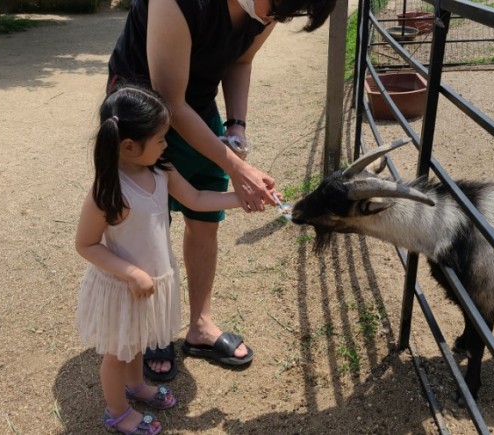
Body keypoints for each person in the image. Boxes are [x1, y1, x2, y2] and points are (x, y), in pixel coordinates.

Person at [106, 0, 338, 380]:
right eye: (277, 6)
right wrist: (237, 167)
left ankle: (199, 326)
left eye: (287, 13)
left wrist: (236, 127)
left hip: (194, 107)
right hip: (142, 113)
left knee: (204, 220)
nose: (273, 19)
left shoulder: (270, 8)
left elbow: (240, 61)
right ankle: (150, 329)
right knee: (148, 225)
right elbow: (170, 102)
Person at [75, 86, 247, 434]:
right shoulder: (109, 191)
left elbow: (196, 199)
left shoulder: (161, 171)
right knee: (117, 353)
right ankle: (118, 412)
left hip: (152, 281)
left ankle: (136, 386)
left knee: (137, 341)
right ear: (128, 147)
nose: (166, 145)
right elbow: (86, 244)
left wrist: (243, 198)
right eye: (159, 139)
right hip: (122, 288)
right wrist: (131, 273)